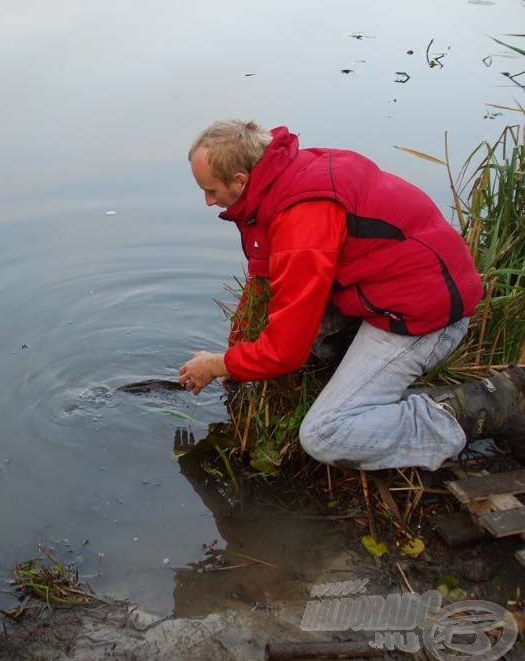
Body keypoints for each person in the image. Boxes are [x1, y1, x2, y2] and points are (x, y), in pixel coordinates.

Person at [176, 119, 525, 470]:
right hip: (389, 288)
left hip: (421, 316)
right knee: (301, 343)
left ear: (240, 179)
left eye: (211, 191)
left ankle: (482, 406)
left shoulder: (303, 220)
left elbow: (285, 353)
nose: (208, 201)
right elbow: (262, 277)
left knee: (326, 434)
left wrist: (218, 363)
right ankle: (371, 396)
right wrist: (236, 355)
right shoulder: (285, 175)